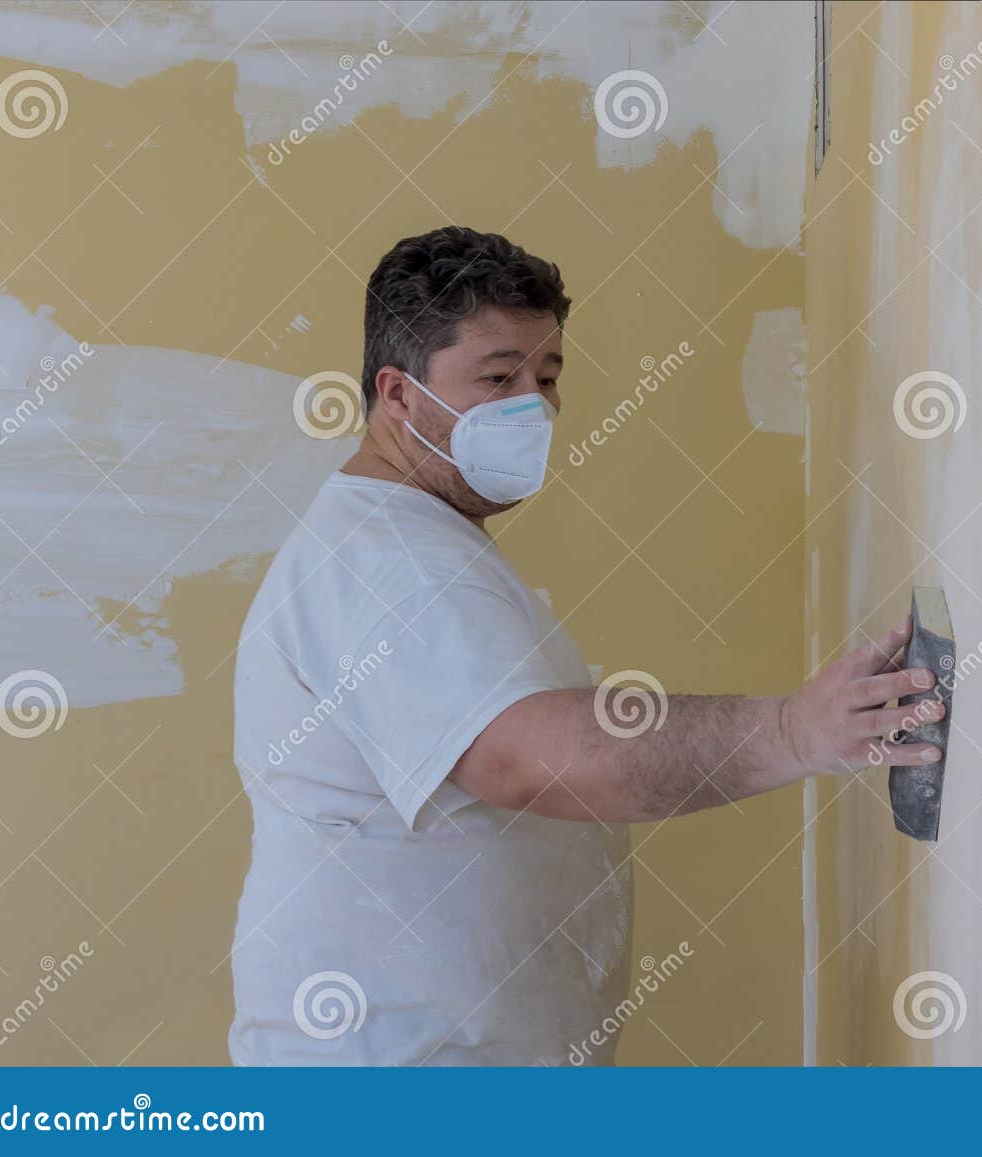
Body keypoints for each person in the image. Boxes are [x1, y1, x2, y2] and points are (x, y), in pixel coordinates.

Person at [227, 225, 942, 1065]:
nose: (532, 407)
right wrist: (792, 731)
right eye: (498, 377)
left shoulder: (413, 542)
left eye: (548, 377)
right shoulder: (385, 561)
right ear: (399, 394)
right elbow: (525, 759)